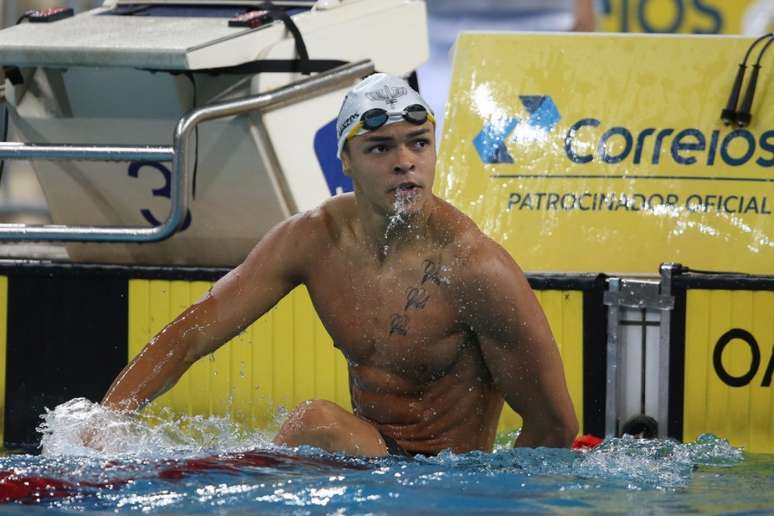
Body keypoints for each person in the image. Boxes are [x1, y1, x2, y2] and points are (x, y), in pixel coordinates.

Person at [101, 73, 578, 457]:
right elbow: (194, 332)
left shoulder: (473, 267)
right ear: (345, 160)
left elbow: (555, 426)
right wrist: (106, 421)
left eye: (418, 143)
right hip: (368, 466)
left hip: (444, 481)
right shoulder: (313, 238)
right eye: (380, 147)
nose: (405, 162)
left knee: (317, 422)